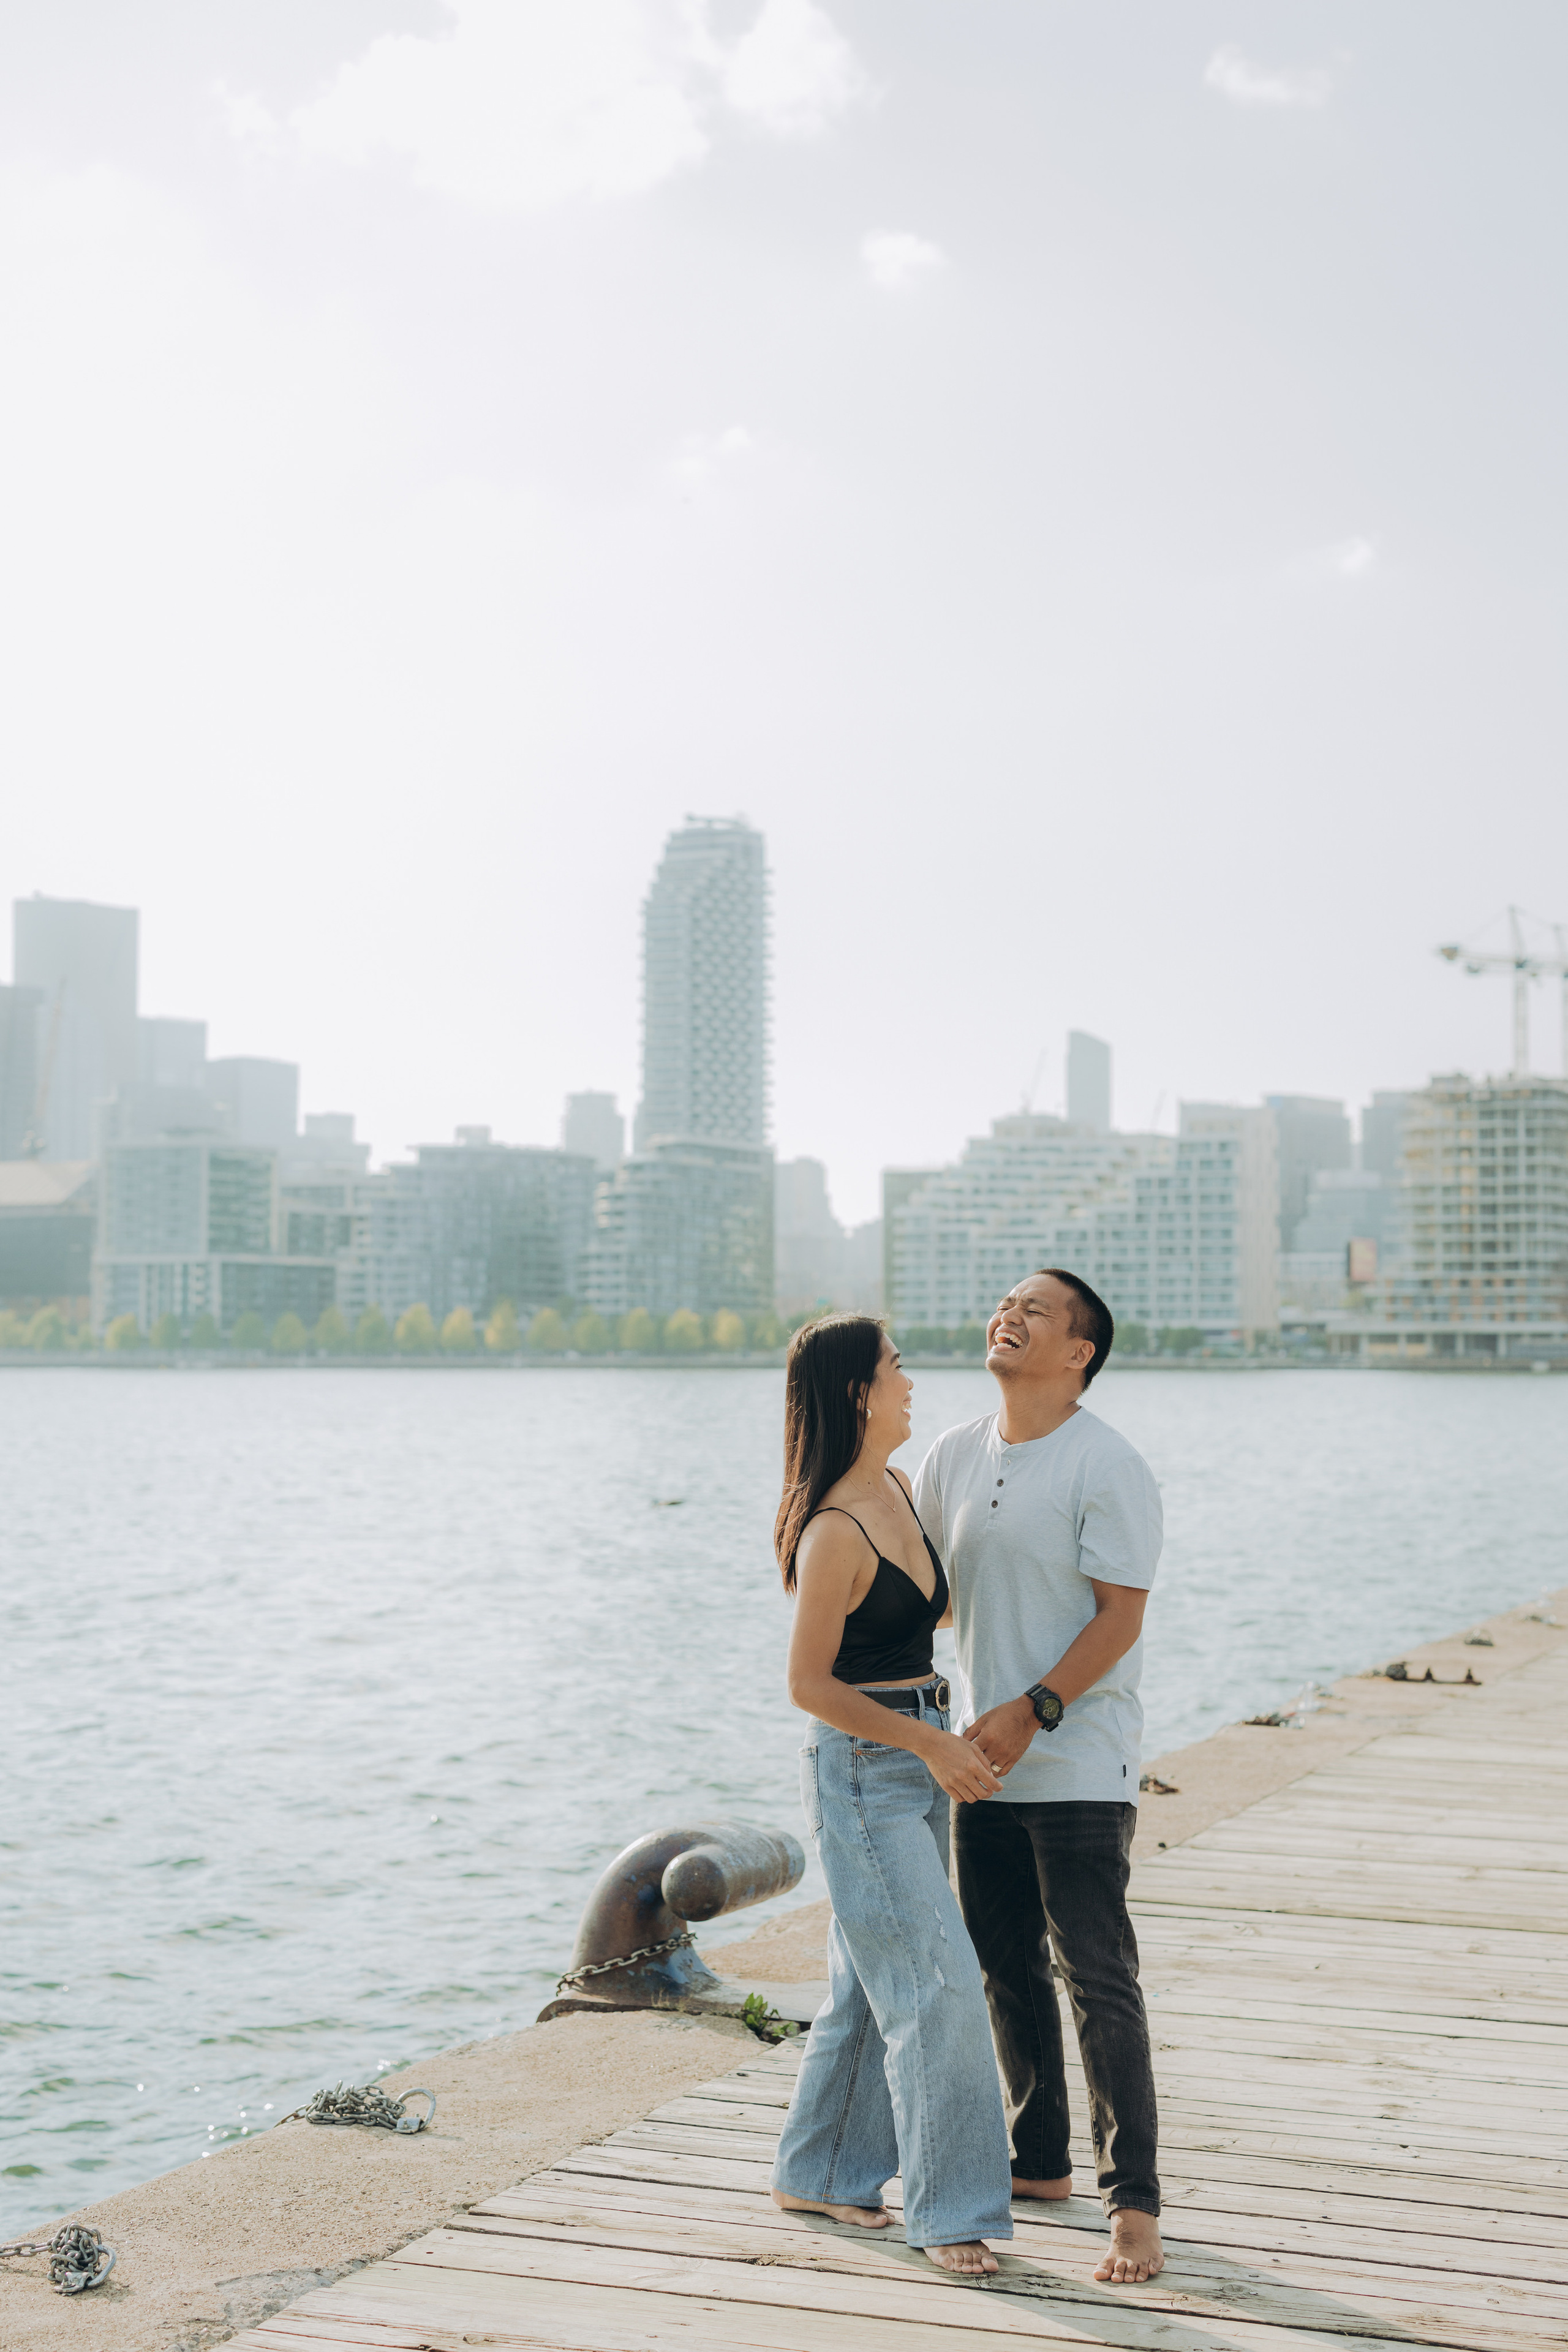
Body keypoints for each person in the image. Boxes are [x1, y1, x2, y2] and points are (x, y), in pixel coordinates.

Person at [914, 1268, 1166, 2287]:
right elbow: (925, 1591)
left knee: (1098, 1980)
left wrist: (1033, 1709)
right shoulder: (956, 1454)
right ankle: (1040, 2161)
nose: (1009, 1316)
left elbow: (1120, 1617)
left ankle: (1134, 2207)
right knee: (1002, 1969)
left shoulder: (1107, 1464)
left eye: (1038, 1311)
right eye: (1005, 1303)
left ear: (1079, 1354)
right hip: (983, 1762)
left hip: (1077, 1759)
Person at [768, 1314, 1015, 2276]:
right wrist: (928, 1745)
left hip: (916, 1760)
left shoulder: (900, 1490)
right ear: (856, 1393)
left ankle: (821, 2172)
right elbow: (810, 1683)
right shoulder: (833, 1525)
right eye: (896, 1368)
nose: (912, 1382)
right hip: (866, 1773)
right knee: (938, 1986)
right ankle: (952, 2212)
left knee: (871, 1988)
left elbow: (927, 1611)